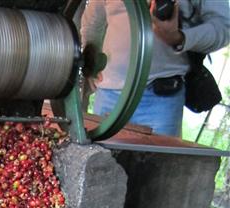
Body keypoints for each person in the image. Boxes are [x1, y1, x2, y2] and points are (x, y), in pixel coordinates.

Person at [81, 0, 230, 137]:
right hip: (109, 93)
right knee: (96, 160)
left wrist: (179, 38)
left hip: (162, 99)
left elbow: (223, 27)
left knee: (158, 162)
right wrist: (90, 61)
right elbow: (93, 19)